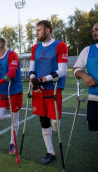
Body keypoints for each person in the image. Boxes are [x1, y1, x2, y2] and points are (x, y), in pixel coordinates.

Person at [29, 20, 68, 164]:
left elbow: (62, 70)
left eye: (39, 30)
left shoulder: (60, 45)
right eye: (36, 30)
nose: (36, 33)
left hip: (54, 88)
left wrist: (43, 79)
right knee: (43, 120)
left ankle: (56, 122)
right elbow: (32, 69)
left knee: (55, 123)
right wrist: (33, 78)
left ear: (48, 31)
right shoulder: (35, 47)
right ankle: (50, 151)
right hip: (40, 90)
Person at [73, 22, 98, 131]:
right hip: (94, 100)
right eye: (93, 31)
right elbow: (76, 69)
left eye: (96, 30)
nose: (94, 33)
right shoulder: (87, 50)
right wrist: (84, 76)